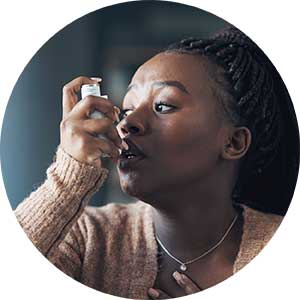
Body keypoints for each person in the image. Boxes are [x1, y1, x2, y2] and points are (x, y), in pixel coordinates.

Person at [14, 26, 299, 299]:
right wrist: (68, 178)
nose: (128, 123)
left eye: (163, 106)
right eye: (126, 109)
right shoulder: (87, 239)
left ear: (233, 143)